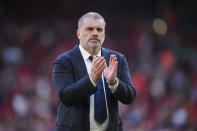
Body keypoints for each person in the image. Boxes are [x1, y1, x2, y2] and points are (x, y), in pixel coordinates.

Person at [52, 12, 136, 131]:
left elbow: (130, 97)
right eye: (90, 29)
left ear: (104, 34)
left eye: (99, 30)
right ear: (79, 33)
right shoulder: (64, 61)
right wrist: (91, 80)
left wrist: (113, 82)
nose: (95, 33)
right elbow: (66, 97)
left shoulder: (117, 59)